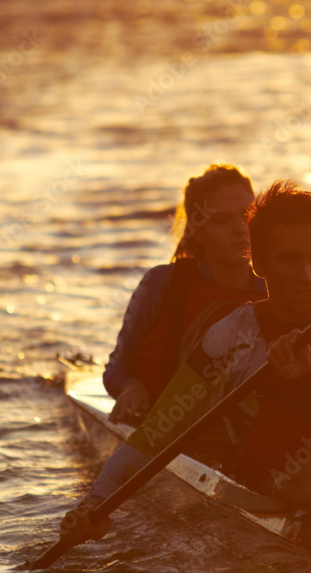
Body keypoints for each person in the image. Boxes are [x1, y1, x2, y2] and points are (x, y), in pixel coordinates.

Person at [61, 181, 311, 543]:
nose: (306, 275)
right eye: (289, 259)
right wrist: (95, 503)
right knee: (308, 480)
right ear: (259, 263)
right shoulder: (231, 336)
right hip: (276, 476)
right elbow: (157, 433)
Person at [104, 163, 266, 424]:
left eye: (247, 216)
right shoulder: (161, 284)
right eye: (222, 220)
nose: (240, 229)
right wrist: (131, 387)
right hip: (161, 432)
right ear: (198, 231)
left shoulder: (279, 290)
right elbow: (116, 370)